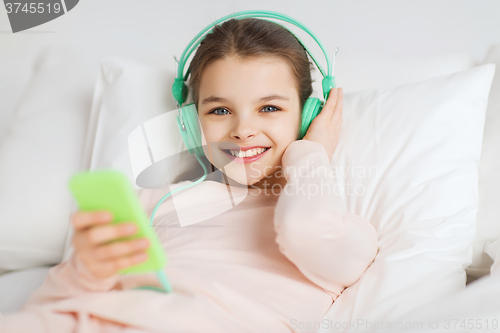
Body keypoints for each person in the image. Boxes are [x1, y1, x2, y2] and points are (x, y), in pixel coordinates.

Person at [0, 18, 378, 333]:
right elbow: (48, 308)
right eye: (219, 111)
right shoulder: (152, 202)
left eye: (268, 108)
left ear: (308, 115)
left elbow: (304, 231)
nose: (243, 130)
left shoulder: (338, 227)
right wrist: (87, 272)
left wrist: (311, 153)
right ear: (189, 123)